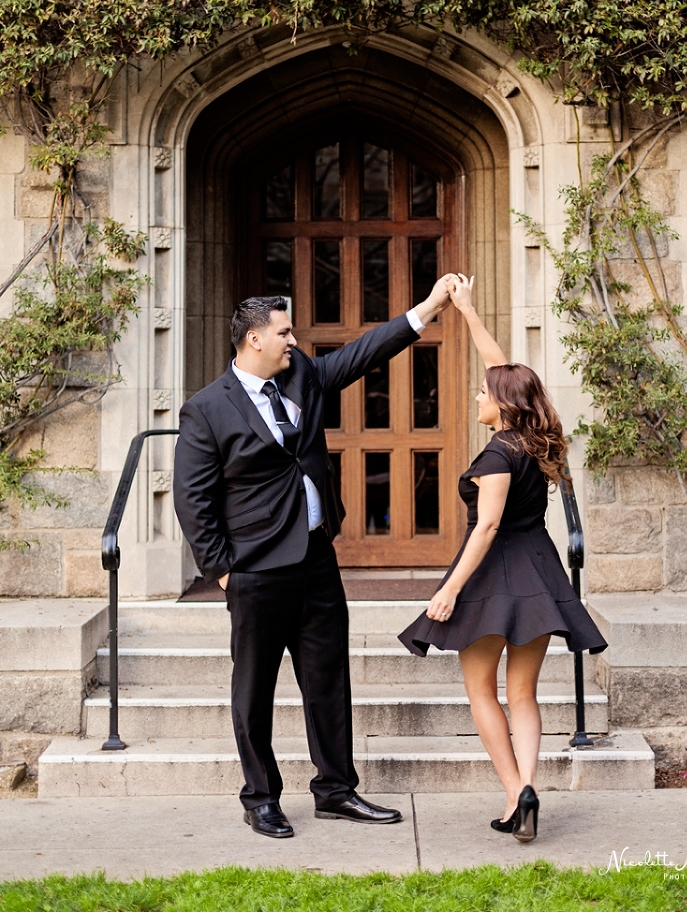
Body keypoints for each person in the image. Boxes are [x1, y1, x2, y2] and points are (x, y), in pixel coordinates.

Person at [173, 280, 453, 839]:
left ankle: (336, 791)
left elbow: (360, 354)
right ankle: (260, 798)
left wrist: (426, 310)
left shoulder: (301, 375)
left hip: (317, 560)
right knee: (253, 690)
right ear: (254, 339)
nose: (294, 340)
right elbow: (192, 498)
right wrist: (224, 572)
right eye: (284, 332)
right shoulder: (205, 410)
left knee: (328, 681)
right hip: (255, 571)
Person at [398, 274, 607, 843]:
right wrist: (466, 310)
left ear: (502, 406)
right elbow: (507, 371)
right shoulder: (540, 438)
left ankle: (515, 791)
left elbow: (486, 526)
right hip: (539, 571)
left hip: (493, 575)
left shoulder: (495, 454)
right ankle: (528, 788)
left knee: (482, 693)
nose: (478, 397)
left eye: (485, 395)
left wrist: (448, 590)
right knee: (524, 695)